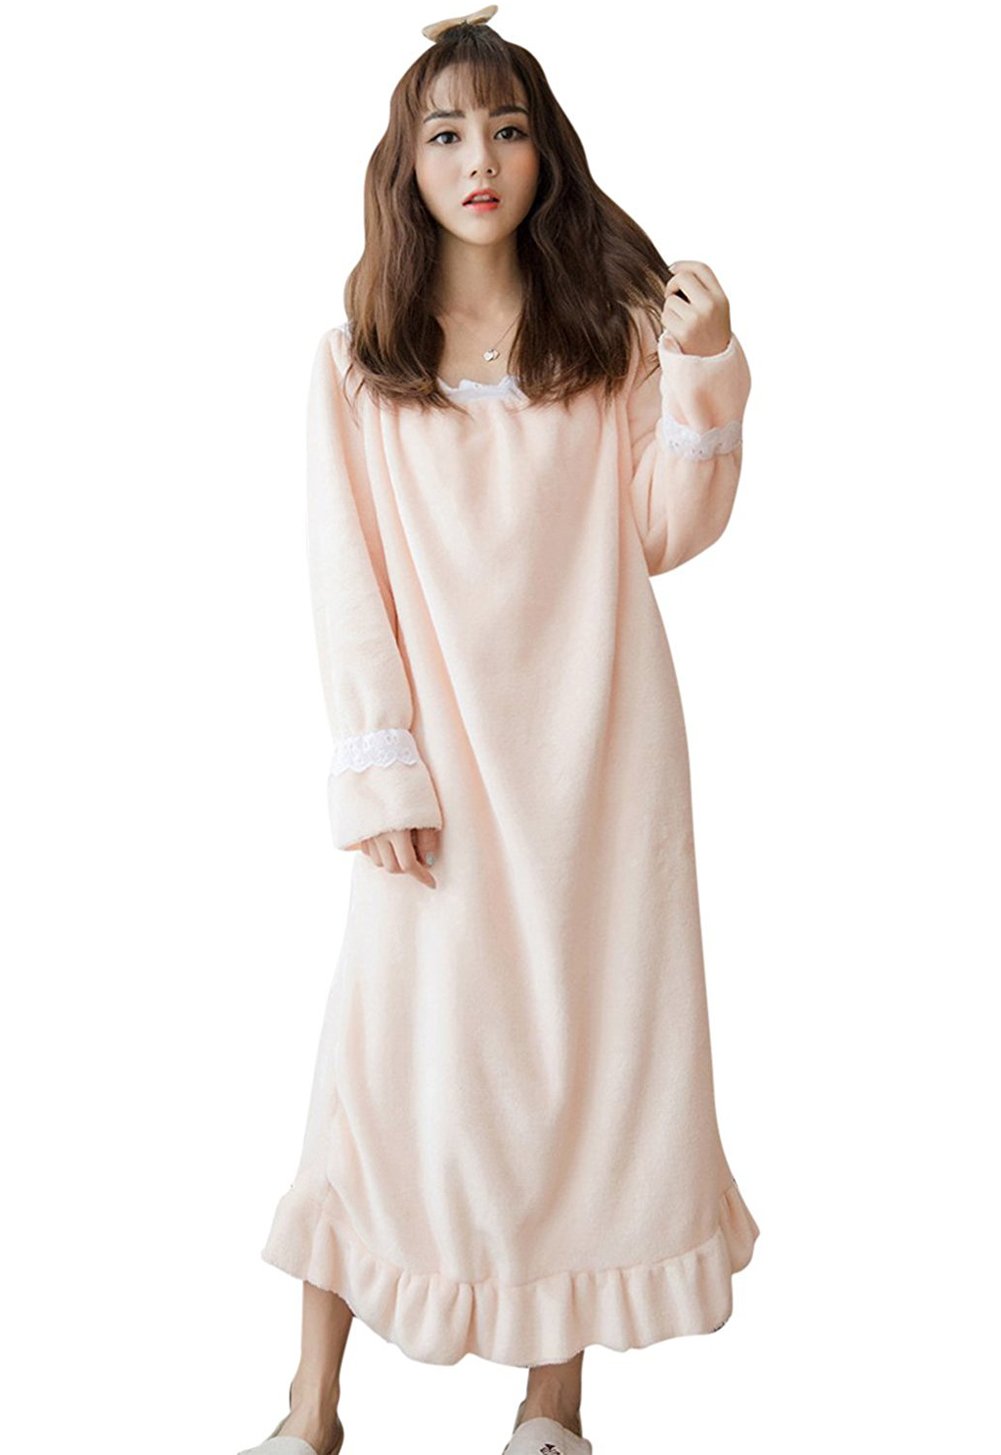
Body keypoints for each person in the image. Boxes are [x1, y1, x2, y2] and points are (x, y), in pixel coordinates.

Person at [240, 8, 760, 1455]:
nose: (481, 158)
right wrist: (378, 769)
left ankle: (552, 1407)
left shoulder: (606, 343)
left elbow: (664, 532)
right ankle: (311, 1407)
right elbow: (344, 578)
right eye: (448, 132)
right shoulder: (361, 359)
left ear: (546, 154)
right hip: (439, 776)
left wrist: (707, 364)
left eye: (508, 128)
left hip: (600, 763)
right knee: (383, 1064)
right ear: (405, 164)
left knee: (587, 1061)